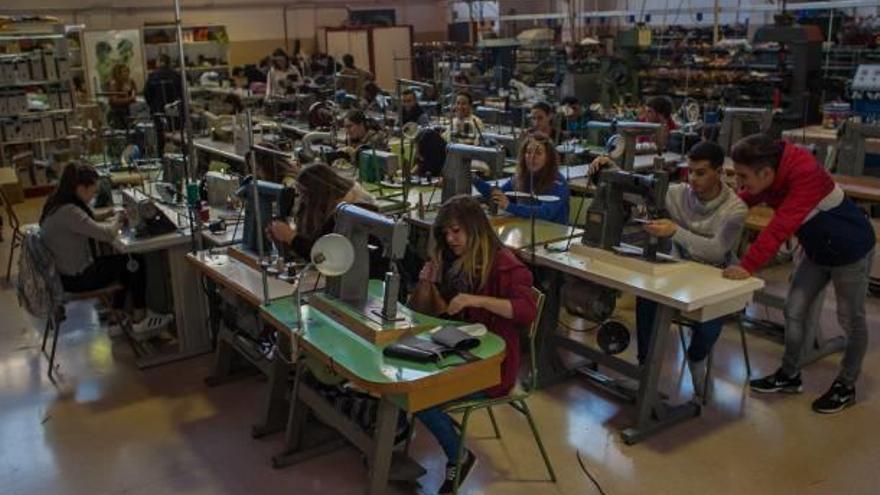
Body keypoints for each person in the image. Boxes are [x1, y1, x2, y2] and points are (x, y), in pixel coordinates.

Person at [722, 134, 875, 414]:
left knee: (850, 319)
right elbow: (754, 193)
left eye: (743, 176)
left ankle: (846, 385)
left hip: (851, 250)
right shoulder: (772, 170)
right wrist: (726, 206)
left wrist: (746, 266)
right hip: (818, 250)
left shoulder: (804, 173)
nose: (740, 182)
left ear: (766, 172)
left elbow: (780, 227)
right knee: (794, 310)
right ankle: (790, 375)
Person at [591, 141, 748, 397]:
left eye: (701, 173)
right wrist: (611, 170)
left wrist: (676, 231)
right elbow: (638, 190)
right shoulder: (678, 193)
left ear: (719, 172)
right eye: (690, 171)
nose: (692, 179)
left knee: (708, 324)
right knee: (647, 296)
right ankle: (645, 371)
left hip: (718, 278)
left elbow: (716, 250)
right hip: (681, 272)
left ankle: (697, 359)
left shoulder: (736, 209)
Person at [409, 195, 537, 494]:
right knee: (411, 380)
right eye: (445, 232)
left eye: (456, 231)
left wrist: (475, 299)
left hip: (495, 366)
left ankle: (459, 456)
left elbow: (526, 311)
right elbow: (428, 312)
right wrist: (426, 282)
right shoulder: (455, 262)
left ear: (475, 229)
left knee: (421, 398)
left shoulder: (506, 265)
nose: (450, 239)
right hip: (463, 349)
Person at [39, 163, 171, 335]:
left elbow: (87, 219)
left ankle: (117, 318)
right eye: (92, 192)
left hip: (64, 275)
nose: (93, 196)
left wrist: (110, 213)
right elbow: (107, 234)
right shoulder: (69, 211)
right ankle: (140, 317)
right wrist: (118, 218)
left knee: (122, 263)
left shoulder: (57, 203)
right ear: (81, 188)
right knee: (134, 261)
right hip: (77, 279)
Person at [266, 162, 375, 261]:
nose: (302, 200)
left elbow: (322, 256)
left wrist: (291, 237)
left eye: (304, 194)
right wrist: (284, 237)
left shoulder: (347, 214)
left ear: (317, 194)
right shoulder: (328, 205)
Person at [475, 132, 570, 224]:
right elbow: (498, 195)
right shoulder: (521, 178)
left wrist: (509, 206)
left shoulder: (557, 182)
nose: (532, 157)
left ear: (548, 158)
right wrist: (475, 179)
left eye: (538, 153)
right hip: (526, 229)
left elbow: (545, 213)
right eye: (528, 152)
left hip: (555, 234)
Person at [144, 54, 182, 157]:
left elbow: (147, 94)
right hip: (174, 111)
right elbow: (181, 94)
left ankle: (162, 159)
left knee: (161, 136)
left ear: (158, 62)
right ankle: (178, 158)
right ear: (169, 63)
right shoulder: (176, 75)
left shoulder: (152, 76)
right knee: (177, 136)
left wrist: (153, 106)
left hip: (158, 110)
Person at [107, 64, 137, 129]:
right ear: (118, 74)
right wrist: (129, 99)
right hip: (117, 114)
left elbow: (134, 95)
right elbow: (114, 101)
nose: (127, 73)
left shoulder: (131, 82)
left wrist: (132, 98)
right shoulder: (114, 84)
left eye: (127, 71)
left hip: (129, 112)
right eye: (124, 71)